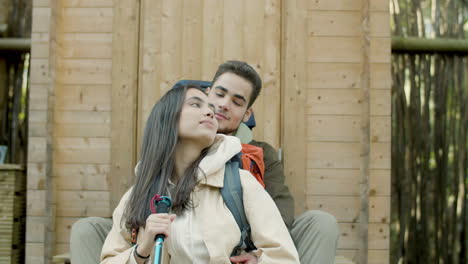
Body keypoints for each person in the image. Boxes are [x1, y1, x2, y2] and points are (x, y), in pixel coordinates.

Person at [70, 61, 339, 264]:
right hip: (166, 228)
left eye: (236, 102)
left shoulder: (257, 157)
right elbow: (135, 211)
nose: (220, 106)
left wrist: (255, 251)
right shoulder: (157, 159)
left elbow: (279, 218)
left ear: (247, 114)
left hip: (240, 237)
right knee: (88, 229)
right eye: (217, 95)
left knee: (319, 223)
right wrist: (141, 246)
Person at [98, 84, 299, 264]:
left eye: (211, 108)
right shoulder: (136, 196)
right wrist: (141, 251)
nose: (211, 113)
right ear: (168, 117)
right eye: (196, 105)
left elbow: (284, 257)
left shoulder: (240, 183)